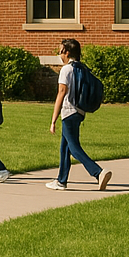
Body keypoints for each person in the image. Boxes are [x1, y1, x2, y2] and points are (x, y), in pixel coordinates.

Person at [47, 38, 113, 191]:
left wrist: (53, 120)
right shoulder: (81, 68)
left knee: (74, 147)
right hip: (79, 112)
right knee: (65, 148)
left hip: (69, 112)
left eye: (60, 50)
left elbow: (61, 93)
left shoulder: (66, 70)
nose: (59, 53)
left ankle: (98, 172)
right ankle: (61, 181)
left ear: (67, 52)